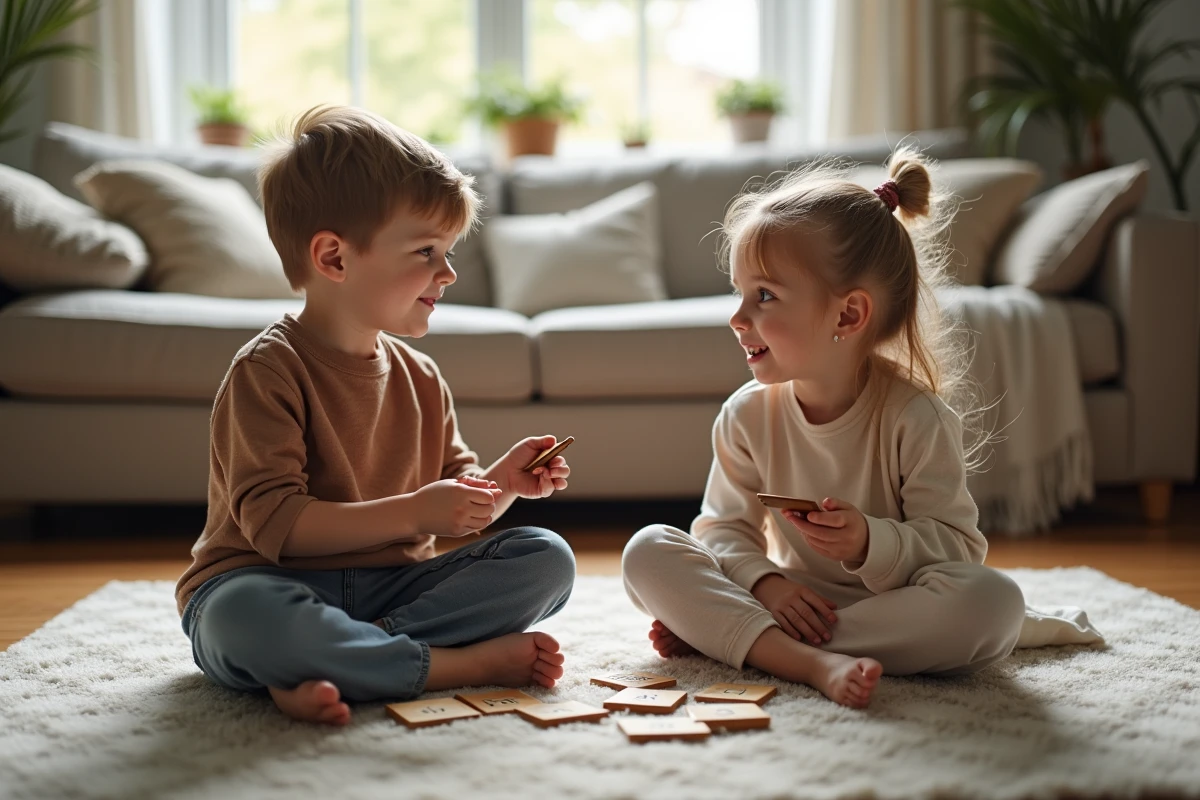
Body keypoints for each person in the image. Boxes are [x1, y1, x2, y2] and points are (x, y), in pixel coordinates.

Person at [175, 106, 575, 726]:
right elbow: (278, 526)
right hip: (268, 583)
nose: (449, 272)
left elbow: (460, 509)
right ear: (334, 257)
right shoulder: (267, 370)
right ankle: (452, 665)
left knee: (545, 559)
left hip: (392, 588)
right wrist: (417, 511)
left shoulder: (422, 377)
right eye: (426, 251)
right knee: (241, 619)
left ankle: (337, 660)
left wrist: (502, 484)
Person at [621, 148, 1026, 708]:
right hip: (786, 598)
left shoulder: (916, 417)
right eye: (739, 294)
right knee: (647, 550)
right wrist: (769, 585)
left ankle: (743, 639)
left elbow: (957, 552)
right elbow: (721, 532)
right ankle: (799, 657)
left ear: (848, 316)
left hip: (886, 610)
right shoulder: (746, 414)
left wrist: (869, 541)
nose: (737, 318)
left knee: (993, 603)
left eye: (764, 296)